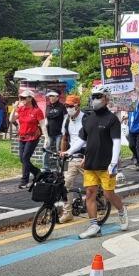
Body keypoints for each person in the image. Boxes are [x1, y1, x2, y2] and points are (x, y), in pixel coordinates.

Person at [78, 88, 129, 238]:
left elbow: (116, 142)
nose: (95, 99)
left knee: (108, 194)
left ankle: (122, 210)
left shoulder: (112, 119)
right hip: (91, 163)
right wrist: (68, 151)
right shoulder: (89, 118)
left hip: (106, 164)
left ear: (106, 98)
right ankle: (94, 225)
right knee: (90, 193)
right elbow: (82, 140)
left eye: (98, 96)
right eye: (93, 96)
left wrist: (113, 163)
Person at [57, 95, 86, 224]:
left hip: (86, 156)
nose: (68, 108)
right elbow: (64, 138)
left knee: (93, 184)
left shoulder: (86, 119)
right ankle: (67, 212)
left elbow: (92, 139)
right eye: (66, 106)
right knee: (66, 184)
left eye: (70, 106)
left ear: (77, 106)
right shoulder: (66, 120)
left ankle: (101, 201)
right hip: (72, 157)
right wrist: (62, 153)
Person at [15, 89, 44, 188]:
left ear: (30, 98)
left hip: (33, 137)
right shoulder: (21, 109)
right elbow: (11, 119)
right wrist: (14, 108)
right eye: (21, 97)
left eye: (24, 97)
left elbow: (43, 125)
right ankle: (37, 172)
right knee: (22, 159)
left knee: (25, 157)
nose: (22, 99)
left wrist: (46, 137)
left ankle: (25, 180)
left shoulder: (37, 111)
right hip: (22, 136)